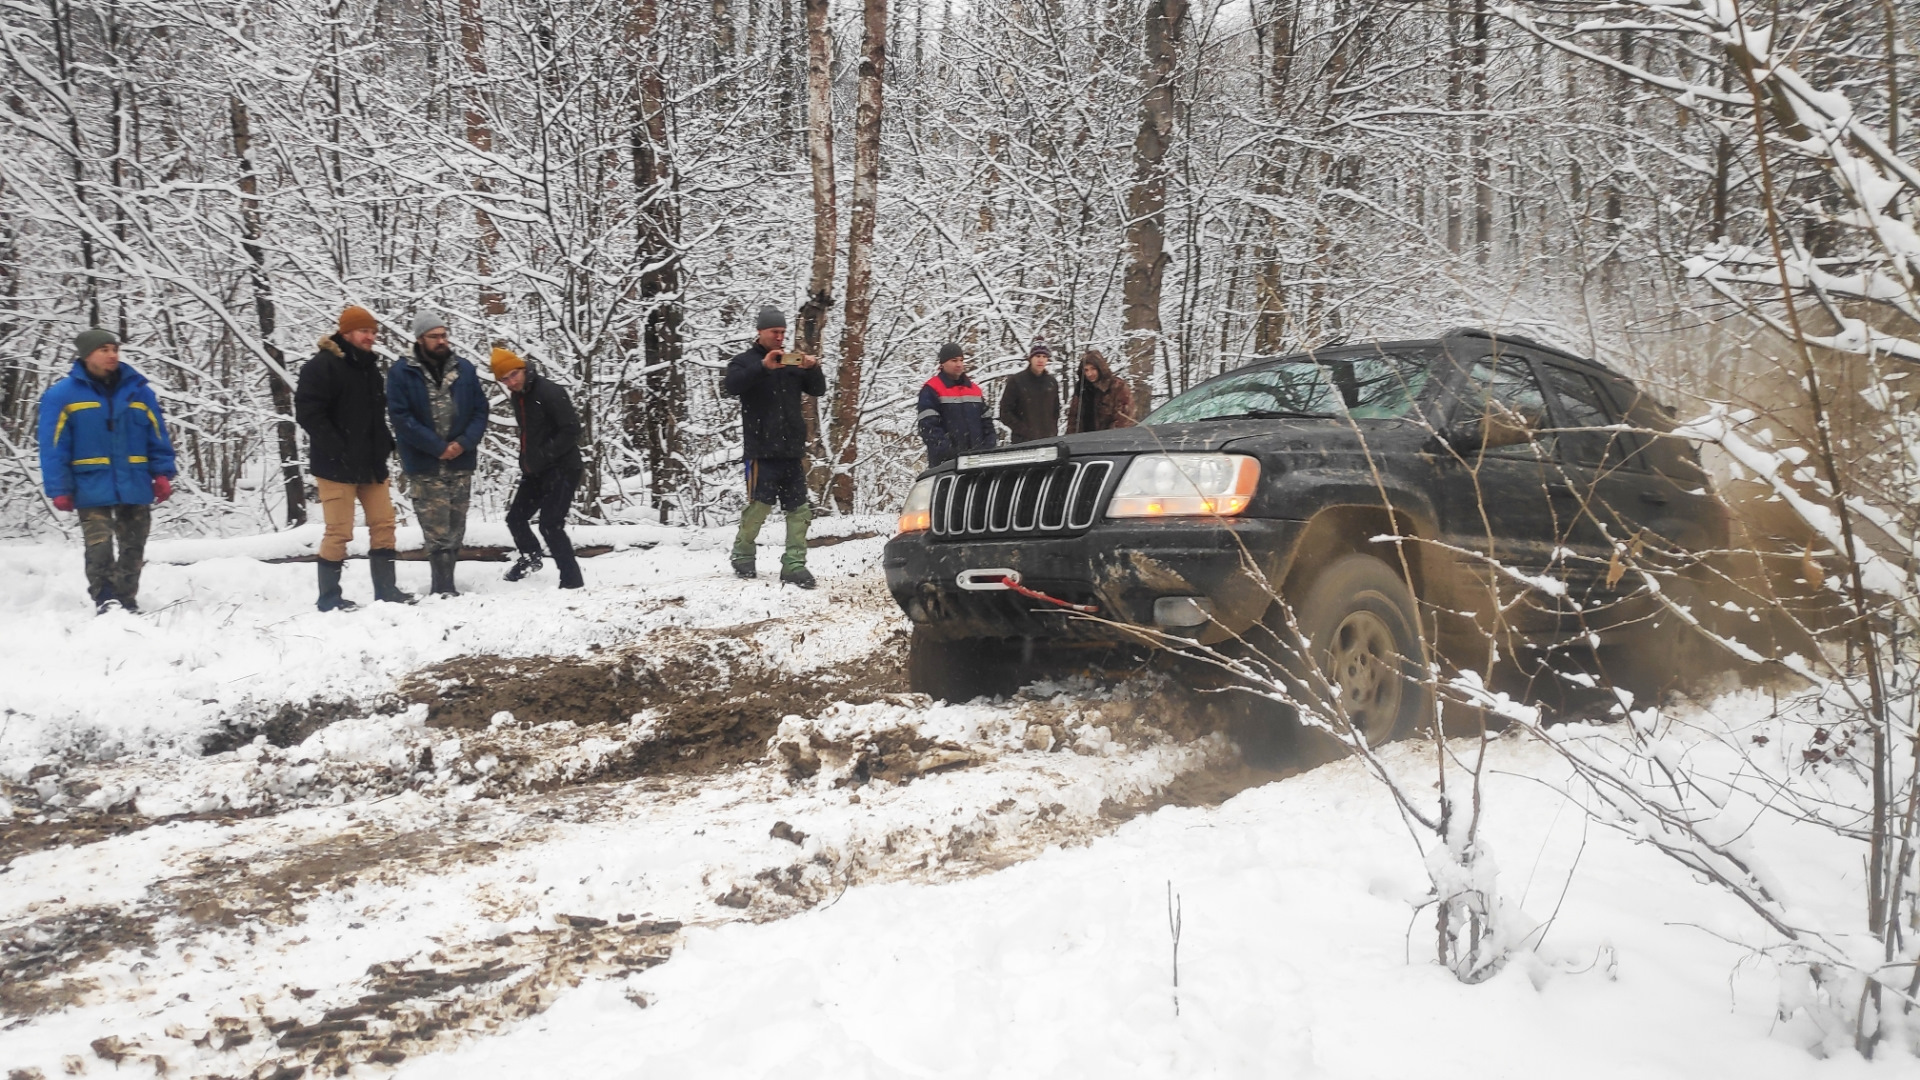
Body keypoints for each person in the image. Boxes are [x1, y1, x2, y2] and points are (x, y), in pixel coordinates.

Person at [36, 328, 178, 614]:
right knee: (99, 546)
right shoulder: (62, 396)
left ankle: (126, 599)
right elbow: (53, 446)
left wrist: (163, 473)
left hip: (135, 481)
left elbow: (157, 435)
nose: (113, 355)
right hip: (90, 484)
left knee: (133, 546)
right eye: (104, 349)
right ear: (87, 355)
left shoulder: (140, 391)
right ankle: (106, 599)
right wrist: (59, 488)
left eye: (115, 349)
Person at [296, 306, 414, 611]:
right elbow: (309, 414)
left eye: (374, 332)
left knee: (385, 524)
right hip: (335, 467)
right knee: (339, 531)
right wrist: (339, 449)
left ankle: (386, 591)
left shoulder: (370, 369)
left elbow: (374, 416)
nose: (371, 337)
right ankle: (329, 598)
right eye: (365, 331)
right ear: (346, 332)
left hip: (372, 465)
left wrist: (386, 443)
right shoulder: (321, 367)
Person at [388, 309, 488, 597]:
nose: (441, 341)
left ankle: (449, 585)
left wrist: (463, 443)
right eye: (434, 336)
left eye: (444, 335)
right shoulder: (401, 372)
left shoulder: (465, 369)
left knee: (456, 526)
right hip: (425, 464)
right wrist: (437, 447)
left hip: (461, 460)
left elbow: (481, 410)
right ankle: (441, 587)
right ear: (420, 339)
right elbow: (400, 417)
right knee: (436, 529)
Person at [723, 306, 825, 589]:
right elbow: (731, 385)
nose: (780, 337)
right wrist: (763, 367)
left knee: (799, 510)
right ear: (760, 332)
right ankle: (742, 554)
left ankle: (794, 565)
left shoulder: (792, 362)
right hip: (761, 451)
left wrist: (812, 367)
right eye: (774, 332)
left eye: (782, 332)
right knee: (758, 508)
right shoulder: (744, 362)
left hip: (792, 450)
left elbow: (818, 389)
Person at [492, 349, 584, 590]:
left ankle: (572, 582)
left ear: (523, 368)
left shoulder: (550, 392)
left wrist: (545, 454)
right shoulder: (518, 396)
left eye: (514, 375)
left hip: (564, 467)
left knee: (550, 524)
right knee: (515, 518)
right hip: (536, 470)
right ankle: (531, 557)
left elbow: (572, 430)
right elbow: (528, 434)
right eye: (505, 379)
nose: (511, 382)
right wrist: (527, 461)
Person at [918, 342, 997, 466]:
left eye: (961, 360)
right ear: (942, 364)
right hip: (947, 464)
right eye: (954, 360)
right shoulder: (932, 389)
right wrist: (948, 451)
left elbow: (987, 423)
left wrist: (988, 446)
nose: (959, 364)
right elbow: (928, 427)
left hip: (978, 462)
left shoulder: (974, 389)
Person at [997, 339, 1060, 444]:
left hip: (1049, 441)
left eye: (1044, 357)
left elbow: (1055, 411)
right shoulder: (1017, 381)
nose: (1041, 360)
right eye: (1037, 356)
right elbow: (1005, 412)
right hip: (1023, 442)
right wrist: (1024, 431)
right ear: (1030, 358)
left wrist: (1053, 430)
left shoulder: (1051, 383)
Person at [1066, 349, 1136, 434]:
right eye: (1086, 370)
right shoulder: (1081, 389)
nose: (1089, 374)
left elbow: (1125, 419)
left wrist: (1107, 438)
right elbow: (1073, 419)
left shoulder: (1117, 387)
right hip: (1083, 442)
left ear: (1100, 368)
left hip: (1109, 441)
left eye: (1093, 369)